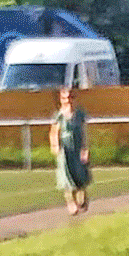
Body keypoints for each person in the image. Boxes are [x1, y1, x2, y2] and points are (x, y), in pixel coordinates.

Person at [49, 87, 91, 215]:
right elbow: (54, 132)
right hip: (65, 150)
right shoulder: (59, 116)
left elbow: (85, 132)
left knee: (80, 177)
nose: (68, 101)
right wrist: (55, 145)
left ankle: (83, 198)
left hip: (78, 149)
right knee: (67, 179)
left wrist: (85, 148)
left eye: (70, 98)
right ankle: (71, 204)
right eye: (64, 98)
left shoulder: (80, 114)